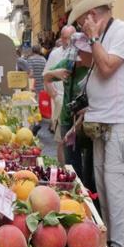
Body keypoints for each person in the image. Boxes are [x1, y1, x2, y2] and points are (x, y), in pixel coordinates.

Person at [69, 0, 124, 247]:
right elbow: (92, 66)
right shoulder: (103, 35)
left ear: (92, 15)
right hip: (102, 124)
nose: (79, 28)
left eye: (81, 22)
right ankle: (110, 244)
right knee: (105, 188)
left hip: (120, 125)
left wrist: (94, 38)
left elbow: (108, 66)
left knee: (117, 188)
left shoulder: (122, 32)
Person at [45, 32, 98, 213]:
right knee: (72, 167)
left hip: (90, 123)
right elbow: (47, 77)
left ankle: (92, 207)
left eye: (82, 54)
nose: (79, 59)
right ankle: (76, 204)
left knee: (91, 172)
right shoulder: (68, 64)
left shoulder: (94, 68)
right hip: (69, 118)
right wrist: (53, 77)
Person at [43, 26, 76, 165]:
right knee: (61, 139)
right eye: (64, 38)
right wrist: (55, 97)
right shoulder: (55, 54)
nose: (67, 41)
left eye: (69, 38)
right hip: (61, 99)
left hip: (77, 101)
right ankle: (64, 169)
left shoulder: (80, 52)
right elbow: (46, 77)